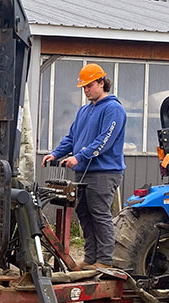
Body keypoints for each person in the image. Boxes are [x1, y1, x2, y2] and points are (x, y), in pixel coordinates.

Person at [43, 63, 126, 270]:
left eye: (89, 85)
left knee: (99, 213)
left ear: (101, 83)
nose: (86, 90)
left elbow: (105, 140)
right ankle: (90, 258)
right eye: (84, 87)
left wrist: (79, 157)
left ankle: (105, 260)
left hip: (104, 172)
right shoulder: (84, 111)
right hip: (83, 171)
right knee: (84, 213)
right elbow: (72, 138)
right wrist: (56, 153)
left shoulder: (113, 109)